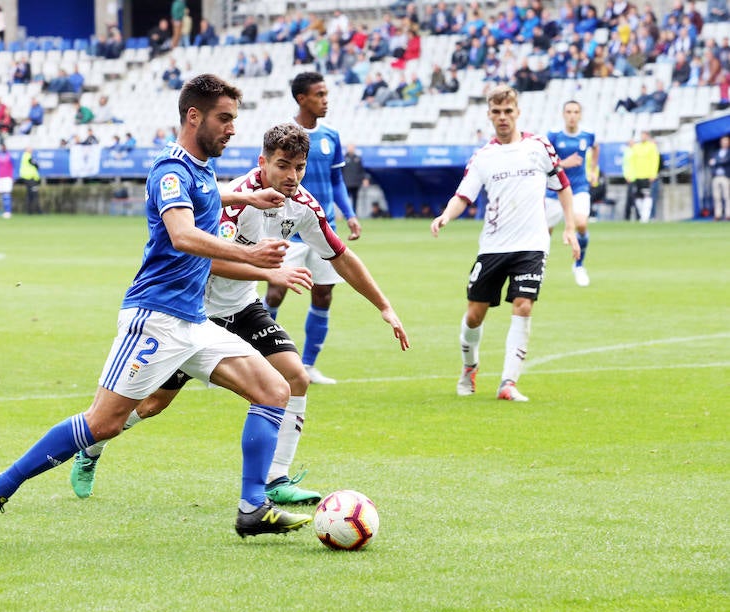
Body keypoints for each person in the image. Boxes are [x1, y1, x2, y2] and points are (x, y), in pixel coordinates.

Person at [0, 74, 313, 546]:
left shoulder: (200, 169)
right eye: (224, 118)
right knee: (103, 422)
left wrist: (245, 197)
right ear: (194, 116)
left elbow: (205, 196)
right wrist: (252, 257)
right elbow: (182, 235)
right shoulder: (170, 169)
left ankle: (253, 507)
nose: (232, 129)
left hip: (192, 321)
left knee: (274, 389)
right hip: (155, 316)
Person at [68, 122, 410, 503]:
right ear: (263, 162)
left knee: (295, 377)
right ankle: (91, 449)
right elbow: (208, 259)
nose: (292, 176)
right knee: (151, 404)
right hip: (194, 313)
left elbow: (341, 256)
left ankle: (276, 480)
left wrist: (384, 306)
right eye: (283, 165)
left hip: (244, 308)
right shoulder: (237, 199)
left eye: (299, 167)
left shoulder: (304, 206)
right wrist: (269, 272)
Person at [430, 85, 580, 402]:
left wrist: (569, 227)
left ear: (518, 112)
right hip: (494, 246)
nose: (502, 117)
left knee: (523, 305)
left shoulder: (539, 147)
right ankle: (469, 366)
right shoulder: (483, 157)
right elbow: (463, 196)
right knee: (475, 314)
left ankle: (508, 383)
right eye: (496, 112)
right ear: (489, 115)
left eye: (508, 111)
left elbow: (563, 187)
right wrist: (445, 216)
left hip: (532, 245)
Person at [263, 72, 362, 385]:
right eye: (319, 94)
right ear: (301, 98)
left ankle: (308, 365)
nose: (325, 100)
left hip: (323, 227)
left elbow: (336, 181)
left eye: (326, 94)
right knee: (275, 291)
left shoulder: (331, 136)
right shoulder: (283, 137)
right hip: (287, 228)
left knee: (323, 295)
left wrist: (349, 214)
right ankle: (260, 357)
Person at [544, 100, 596, 287]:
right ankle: (537, 267)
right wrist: (564, 164)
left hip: (579, 188)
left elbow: (596, 147)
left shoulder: (588, 135)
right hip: (555, 189)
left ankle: (579, 265)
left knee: (581, 223)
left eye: (575, 112)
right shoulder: (554, 136)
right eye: (568, 111)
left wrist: (592, 169)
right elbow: (545, 162)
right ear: (563, 114)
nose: (572, 115)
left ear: (580, 115)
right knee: (544, 232)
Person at [708, 135, 730, 219]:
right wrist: (715, 162)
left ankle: (728, 214)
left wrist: (716, 162)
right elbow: (710, 162)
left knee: (727, 196)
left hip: (725, 176)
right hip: (716, 176)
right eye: (723, 141)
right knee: (717, 197)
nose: (724, 143)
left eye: (726, 141)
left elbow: (725, 161)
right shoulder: (716, 152)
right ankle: (718, 214)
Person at [343, 143, 367, 211]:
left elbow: (361, 170)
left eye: (352, 147)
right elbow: (340, 171)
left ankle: (353, 213)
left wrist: (365, 179)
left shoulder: (358, 158)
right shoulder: (343, 158)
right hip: (346, 183)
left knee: (355, 198)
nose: (351, 149)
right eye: (349, 147)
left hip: (356, 183)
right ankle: (346, 213)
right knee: (345, 199)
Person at [18, 146, 41, 214]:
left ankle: (30, 211)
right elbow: (35, 164)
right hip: (30, 178)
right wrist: (37, 165)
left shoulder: (26, 156)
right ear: (26, 150)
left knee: (30, 194)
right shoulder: (27, 156)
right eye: (30, 148)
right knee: (34, 194)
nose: (32, 149)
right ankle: (37, 210)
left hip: (29, 178)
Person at [0, 142, 14, 219]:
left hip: (7, 177)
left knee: (7, 194)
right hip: (0, 177)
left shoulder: (10, 156)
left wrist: (13, 177)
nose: (3, 148)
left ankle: (8, 211)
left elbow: (13, 166)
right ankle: (2, 210)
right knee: (2, 195)